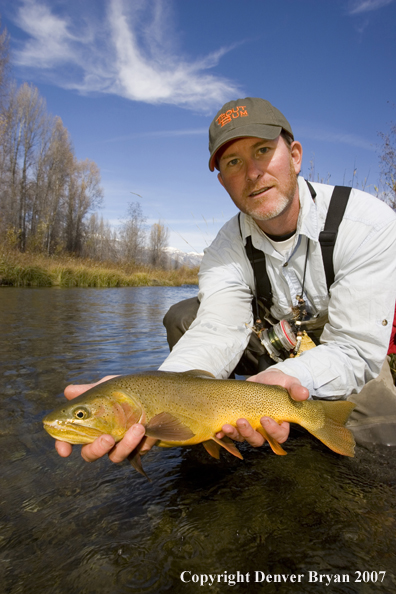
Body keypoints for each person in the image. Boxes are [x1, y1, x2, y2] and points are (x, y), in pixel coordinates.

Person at [56, 97, 396, 465]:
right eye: (234, 162)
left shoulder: (367, 223)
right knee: (184, 316)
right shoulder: (224, 247)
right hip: (276, 342)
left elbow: (354, 348)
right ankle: (214, 436)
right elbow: (218, 328)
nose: (252, 173)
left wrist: (288, 378)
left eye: (263, 151)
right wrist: (155, 397)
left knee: (380, 445)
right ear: (222, 182)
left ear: (295, 156)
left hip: (343, 346)